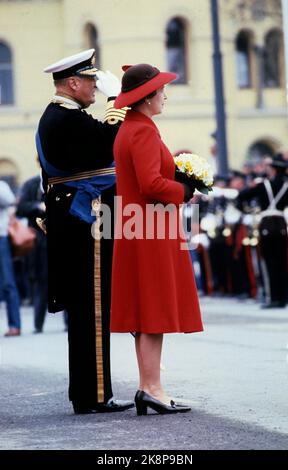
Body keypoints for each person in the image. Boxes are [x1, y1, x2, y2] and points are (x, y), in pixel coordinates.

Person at [37, 49, 134, 414]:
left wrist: (111, 102)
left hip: (76, 219)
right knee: (92, 308)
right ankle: (94, 394)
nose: (94, 87)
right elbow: (104, 143)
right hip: (83, 220)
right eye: (91, 81)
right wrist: (116, 99)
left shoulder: (63, 116)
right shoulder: (64, 117)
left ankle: (90, 393)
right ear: (73, 83)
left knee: (88, 309)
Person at [111, 63, 203, 416]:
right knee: (152, 310)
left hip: (137, 227)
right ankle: (151, 387)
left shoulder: (130, 129)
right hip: (150, 228)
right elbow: (151, 183)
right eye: (161, 90)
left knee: (145, 309)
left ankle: (149, 386)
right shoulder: (144, 132)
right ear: (147, 97)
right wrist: (184, 190)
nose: (165, 95)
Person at [237, 154, 288, 308]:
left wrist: (247, 211)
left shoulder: (262, 185)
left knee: (269, 263)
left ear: (273, 170)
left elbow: (241, 196)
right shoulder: (287, 186)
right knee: (282, 262)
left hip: (266, 224)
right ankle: (283, 297)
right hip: (281, 225)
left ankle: (272, 297)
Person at [0, 179, 21, 337]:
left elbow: (11, 200)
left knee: (8, 282)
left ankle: (14, 325)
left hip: (2, 237)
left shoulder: (2, 186)